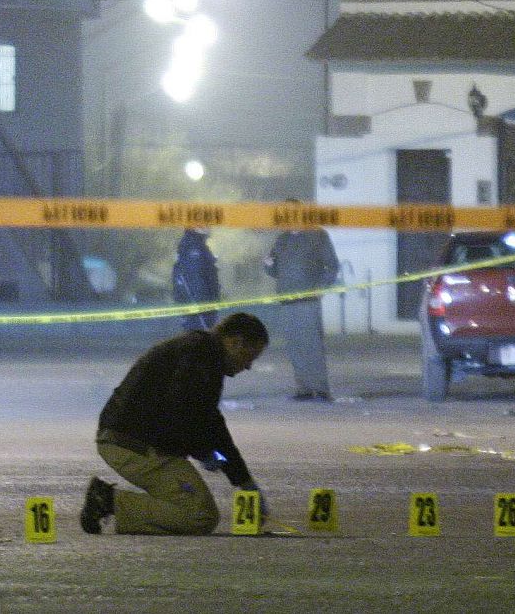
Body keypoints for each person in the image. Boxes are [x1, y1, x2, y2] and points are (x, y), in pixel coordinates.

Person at [81, 311, 269, 536]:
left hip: (134, 439)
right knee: (199, 515)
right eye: (250, 356)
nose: (248, 366)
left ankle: (116, 504)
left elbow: (211, 424)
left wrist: (243, 480)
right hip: (132, 444)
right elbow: (183, 415)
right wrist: (207, 453)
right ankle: (108, 501)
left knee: (197, 510)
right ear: (235, 342)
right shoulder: (198, 357)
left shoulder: (204, 354)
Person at [264, 220, 340, 402]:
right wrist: (267, 265)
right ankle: (304, 389)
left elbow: (332, 266)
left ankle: (321, 390)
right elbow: (275, 271)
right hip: (287, 301)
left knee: (312, 345)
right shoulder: (281, 240)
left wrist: (321, 287)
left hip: (308, 301)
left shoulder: (317, 235)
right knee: (294, 346)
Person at [170, 227, 221, 331]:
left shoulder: (198, 247)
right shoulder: (192, 248)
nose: (210, 226)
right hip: (200, 315)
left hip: (203, 312)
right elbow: (194, 284)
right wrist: (203, 314)